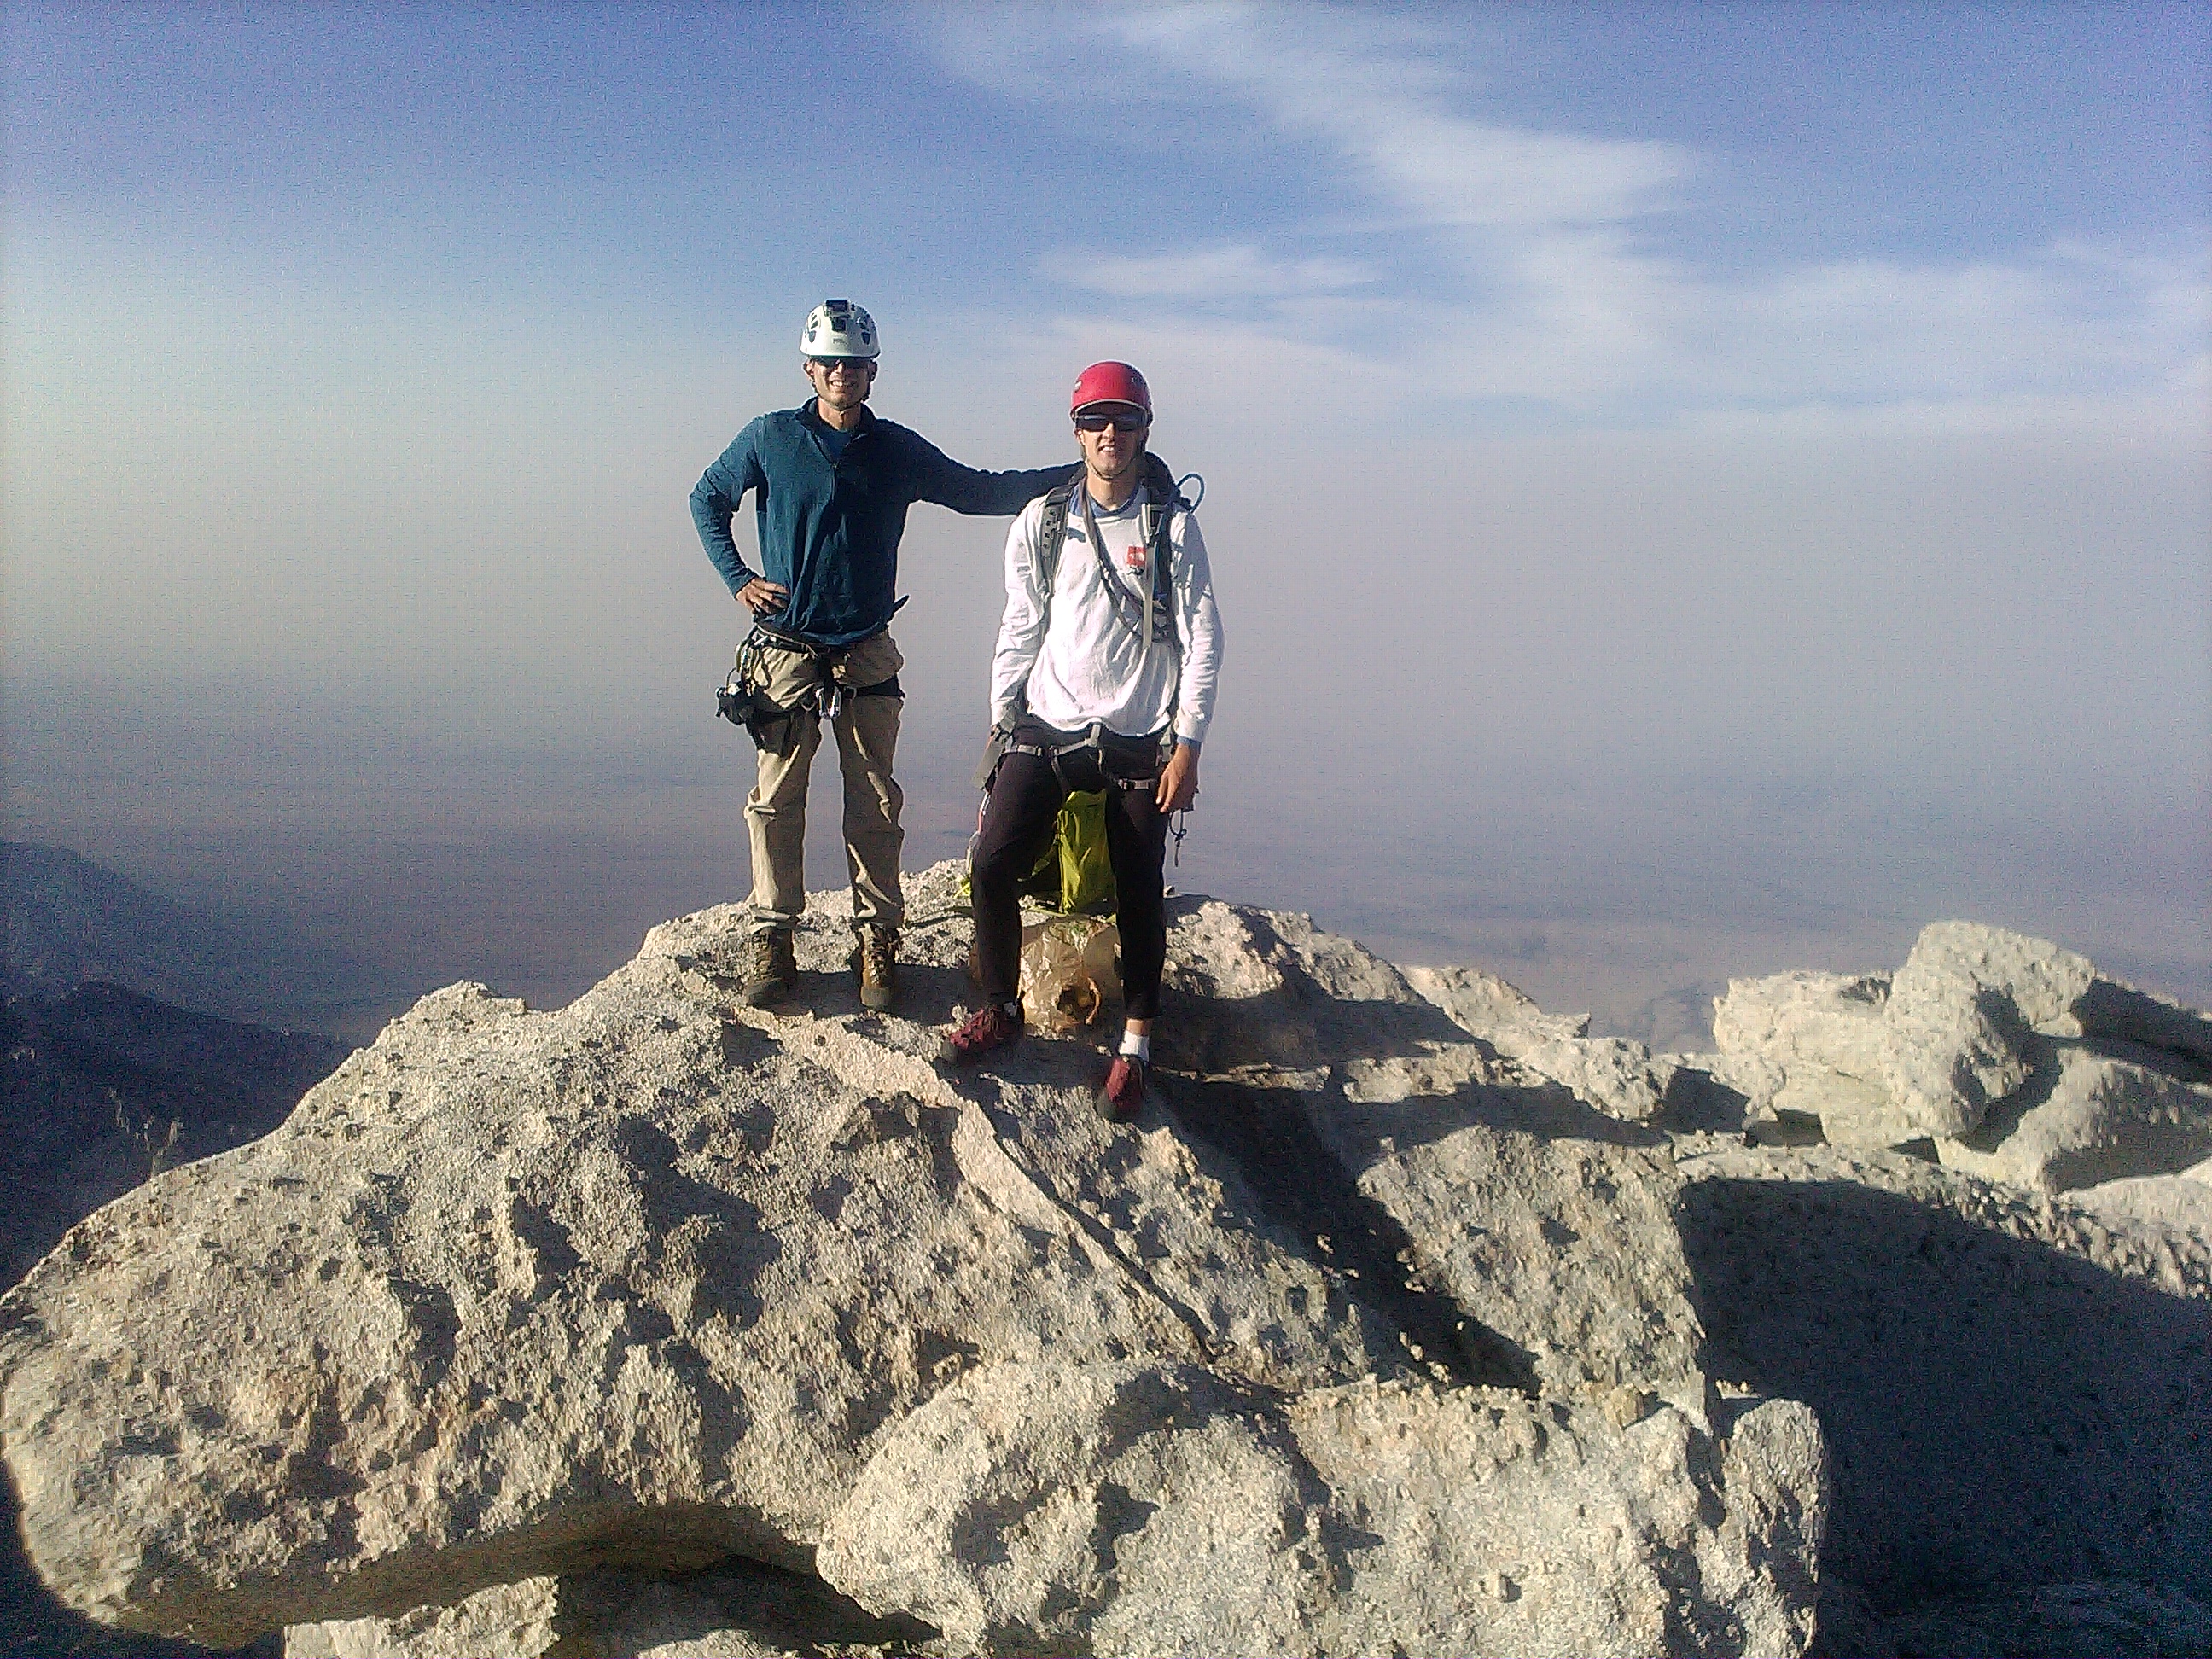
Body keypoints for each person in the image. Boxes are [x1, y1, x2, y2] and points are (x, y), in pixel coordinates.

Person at [691, 300, 1071, 1012]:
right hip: (787, 651)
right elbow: (707, 497)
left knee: (873, 803)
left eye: (856, 364)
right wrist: (739, 579)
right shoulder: (771, 438)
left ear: (872, 372)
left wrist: (1075, 476)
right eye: (831, 363)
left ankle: (878, 939)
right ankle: (774, 935)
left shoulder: (894, 449)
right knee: (776, 803)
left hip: (864, 651)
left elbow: (978, 491)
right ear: (810, 369)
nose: (843, 374)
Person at [940, 361, 1223, 1120]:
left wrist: (1187, 744)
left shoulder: (1171, 526)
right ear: (1076, 429)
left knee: (1138, 885)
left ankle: (1135, 1041)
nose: (1109, 433)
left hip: (1138, 730)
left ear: (1145, 430)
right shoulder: (1043, 520)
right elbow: (1021, 622)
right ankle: (999, 1007)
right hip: (1048, 720)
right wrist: (1003, 720)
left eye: (1124, 421)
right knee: (993, 860)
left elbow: (1202, 639)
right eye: (1096, 420)